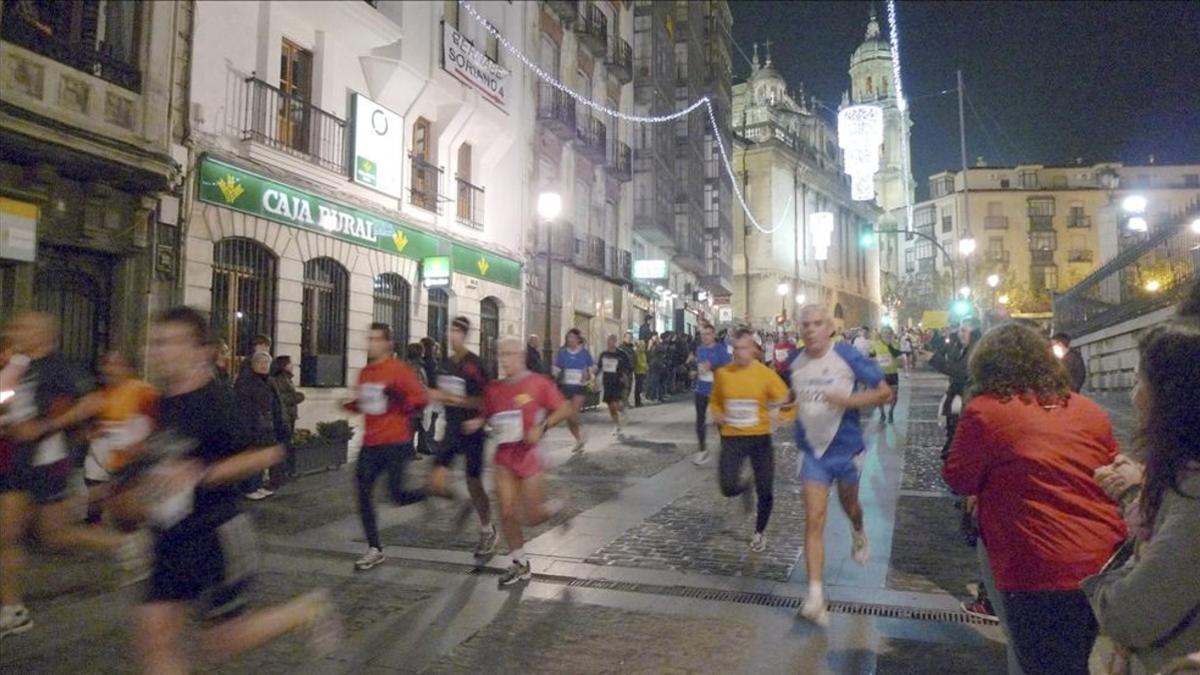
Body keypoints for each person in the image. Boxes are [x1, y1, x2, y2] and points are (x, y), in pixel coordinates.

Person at [132, 306, 338, 671]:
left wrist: (202, 474)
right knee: (155, 638)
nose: (159, 350)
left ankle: (305, 610)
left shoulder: (222, 402)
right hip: (171, 535)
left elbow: (270, 451)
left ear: (200, 350)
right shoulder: (163, 403)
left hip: (218, 532)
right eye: (156, 342)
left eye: (170, 342)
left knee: (223, 641)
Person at [942, 323, 1127, 675]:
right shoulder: (1089, 410)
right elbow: (1110, 468)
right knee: (1071, 660)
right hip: (1102, 561)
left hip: (1037, 563)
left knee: (1045, 664)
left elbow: (958, 476)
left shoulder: (986, 411)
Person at [0, 312, 139, 639]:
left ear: (45, 335)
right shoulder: (17, 365)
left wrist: (45, 427)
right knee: (15, 536)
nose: (13, 330)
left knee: (53, 535)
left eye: (23, 327)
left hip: (46, 463)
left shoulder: (62, 367)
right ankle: (13, 610)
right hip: (15, 462)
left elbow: (93, 401)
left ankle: (125, 543)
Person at [1083, 319, 1200, 675]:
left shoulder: (1192, 496)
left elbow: (1129, 614)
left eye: (1139, 381)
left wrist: (1104, 585)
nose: (1134, 397)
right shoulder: (1182, 481)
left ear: (1170, 399)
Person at [790, 305, 892, 626]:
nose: (810, 330)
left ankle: (858, 531)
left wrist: (848, 402)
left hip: (846, 451)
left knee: (851, 506)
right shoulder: (795, 363)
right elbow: (796, 401)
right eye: (805, 324)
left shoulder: (847, 356)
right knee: (814, 518)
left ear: (830, 327)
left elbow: (884, 393)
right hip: (813, 454)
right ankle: (816, 596)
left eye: (817, 324)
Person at [471, 337, 575, 586]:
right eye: (501, 354)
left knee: (532, 515)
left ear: (520, 357)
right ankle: (520, 563)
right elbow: (487, 415)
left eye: (509, 354)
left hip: (529, 457)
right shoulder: (494, 388)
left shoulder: (538, 383)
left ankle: (555, 509)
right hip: (504, 458)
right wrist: (478, 422)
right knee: (506, 513)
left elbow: (565, 408)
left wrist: (542, 426)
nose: (504, 359)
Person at [344, 323, 429, 571]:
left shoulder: (399, 370)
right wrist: (350, 405)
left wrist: (400, 399)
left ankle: (430, 491)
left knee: (396, 495)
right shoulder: (365, 373)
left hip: (395, 442)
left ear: (388, 344)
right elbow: (365, 404)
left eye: (376, 339)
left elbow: (420, 399)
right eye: (369, 338)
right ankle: (374, 548)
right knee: (363, 494)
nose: (370, 343)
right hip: (370, 444)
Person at [709, 329, 790, 553]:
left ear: (754, 350)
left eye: (744, 348)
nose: (740, 352)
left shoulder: (765, 374)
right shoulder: (724, 374)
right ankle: (744, 488)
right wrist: (717, 412)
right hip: (732, 437)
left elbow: (788, 399)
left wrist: (783, 417)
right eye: (736, 348)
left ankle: (759, 532)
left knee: (766, 489)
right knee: (727, 486)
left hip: (759, 438)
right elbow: (715, 400)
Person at [425, 317, 497, 557]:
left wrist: (457, 400)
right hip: (451, 428)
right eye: (448, 330)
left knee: (474, 483)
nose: (450, 335)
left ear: (464, 334)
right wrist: (434, 395)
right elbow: (439, 393)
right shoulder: (445, 364)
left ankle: (487, 529)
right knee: (435, 482)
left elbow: (487, 399)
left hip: (473, 429)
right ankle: (463, 503)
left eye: (455, 331)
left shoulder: (475, 364)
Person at [236, 352, 286, 501]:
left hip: (265, 425)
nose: (264, 365)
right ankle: (250, 488)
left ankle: (256, 486)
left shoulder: (267, 381)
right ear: (253, 364)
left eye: (267, 363)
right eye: (260, 362)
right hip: (253, 425)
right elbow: (246, 406)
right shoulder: (247, 381)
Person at [929, 319, 982, 460]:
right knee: (954, 430)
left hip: (968, 399)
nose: (960, 334)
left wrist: (934, 359)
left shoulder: (975, 351)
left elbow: (960, 371)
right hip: (958, 396)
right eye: (960, 330)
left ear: (974, 333)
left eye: (964, 331)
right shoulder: (962, 348)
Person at [692, 323, 732, 466]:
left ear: (713, 335)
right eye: (702, 335)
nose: (705, 337)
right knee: (699, 420)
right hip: (701, 388)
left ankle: (726, 452)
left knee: (720, 421)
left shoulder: (721, 350)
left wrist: (713, 367)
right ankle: (702, 450)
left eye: (708, 334)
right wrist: (695, 372)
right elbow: (700, 366)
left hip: (717, 390)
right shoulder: (700, 349)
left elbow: (728, 368)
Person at [552, 328, 592, 453]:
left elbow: (593, 366)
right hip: (566, 387)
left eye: (572, 337)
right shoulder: (563, 353)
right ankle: (579, 439)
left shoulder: (584, 353)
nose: (570, 340)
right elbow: (557, 368)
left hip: (579, 387)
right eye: (568, 337)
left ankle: (582, 430)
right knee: (568, 417)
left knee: (573, 412)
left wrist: (588, 373)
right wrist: (554, 374)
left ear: (577, 339)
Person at [597, 335, 633, 436]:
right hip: (607, 382)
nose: (610, 343)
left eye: (612, 341)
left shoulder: (621, 354)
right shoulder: (603, 354)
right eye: (608, 341)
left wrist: (625, 376)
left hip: (618, 382)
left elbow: (629, 367)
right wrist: (594, 376)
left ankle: (623, 412)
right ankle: (617, 425)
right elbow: (599, 367)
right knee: (611, 406)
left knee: (617, 403)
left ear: (615, 342)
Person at [405, 343, 432, 456]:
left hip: (415, 400)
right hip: (414, 401)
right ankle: (409, 451)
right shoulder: (414, 367)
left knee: (414, 426)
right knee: (412, 426)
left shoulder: (414, 365)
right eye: (422, 351)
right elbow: (418, 383)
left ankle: (411, 449)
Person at [872, 328, 903, 424]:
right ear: (881, 334)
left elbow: (897, 354)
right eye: (885, 333)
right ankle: (882, 414)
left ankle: (891, 412)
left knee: (894, 396)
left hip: (892, 373)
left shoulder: (896, 343)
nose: (887, 335)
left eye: (889, 333)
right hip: (880, 374)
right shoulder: (875, 344)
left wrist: (889, 345)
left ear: (892, 334)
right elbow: (871, 356)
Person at [619, 332, 637, 408]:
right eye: (628, 338)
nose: (629, 339)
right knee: (624, 387)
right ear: (624, 338)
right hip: (624, 370)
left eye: (630, 338)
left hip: (630, 369)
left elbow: (633, 357)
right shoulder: (621, 348)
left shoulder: (631, 348)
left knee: (629, 386)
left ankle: (626, 401)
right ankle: (623, 402)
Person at [632, 339, 649, 408]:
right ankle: (637, 401)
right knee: (638, 387)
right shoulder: (637, 353)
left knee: (641, 386)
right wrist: (645, 366)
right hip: (638, 371)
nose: (644, 346)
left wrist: (647, 366)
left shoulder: (643, 353)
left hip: (643, 371)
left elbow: (645, 361)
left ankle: (639, 400)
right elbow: (639, 362)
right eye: (643, 345)